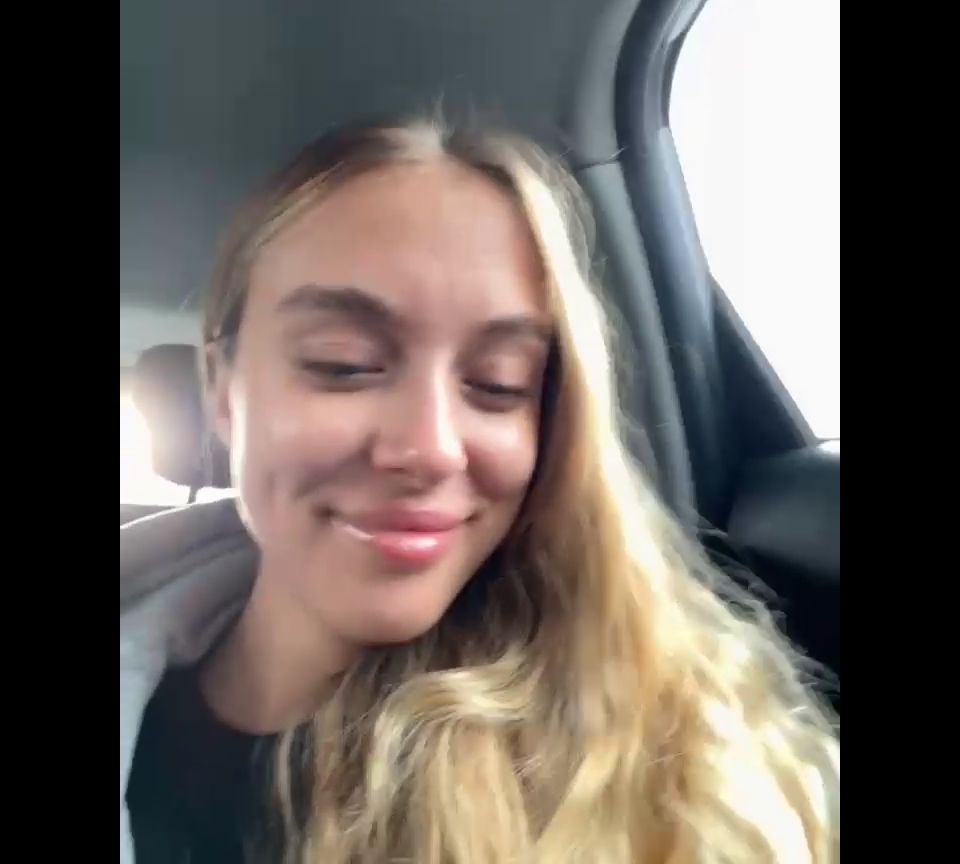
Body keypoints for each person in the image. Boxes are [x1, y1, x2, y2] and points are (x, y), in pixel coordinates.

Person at [119, 116, 839, 864]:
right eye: (343, 364)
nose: (430, 448)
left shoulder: (665, 760)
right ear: (222, 390)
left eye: (499, 384)